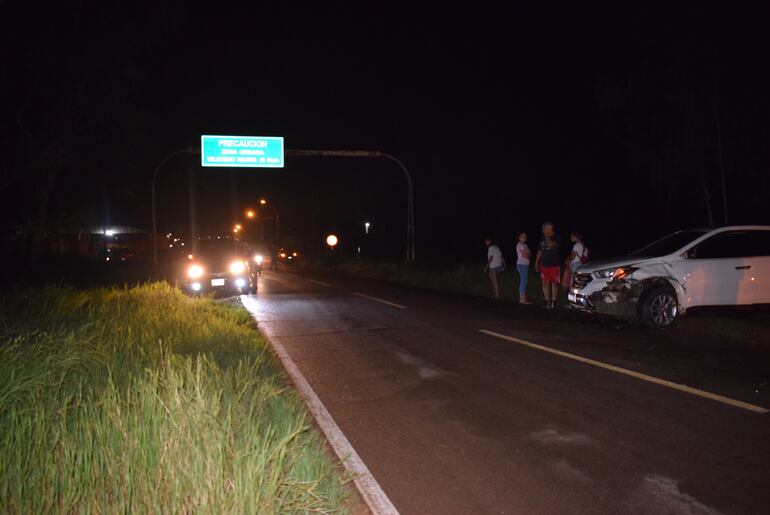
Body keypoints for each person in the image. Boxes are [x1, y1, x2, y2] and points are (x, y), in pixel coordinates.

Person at [535, 222, 560, 310]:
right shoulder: (542, 239)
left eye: (549, 229)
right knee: (545, 283)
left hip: (553, 265)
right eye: (546, 229)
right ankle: (546, 302)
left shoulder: (556, 237)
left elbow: (551, 245)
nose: (547, 230)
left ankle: (554, 302)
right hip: (544, 265)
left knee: (554, 283)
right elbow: (540, 251)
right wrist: (536, 262)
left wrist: (546, 236)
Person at [515, 231, 531, 304]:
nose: (524, 237)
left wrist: (528, 255)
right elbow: (525, 255)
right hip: (522, 265)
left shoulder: (525, 245)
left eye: (525, 236)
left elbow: (530, 254)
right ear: (519, 238)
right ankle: (522, 299)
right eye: (522, 236)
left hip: (525, 265)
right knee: (523, 281)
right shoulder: (520, 245)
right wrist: (528, 255)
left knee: (524, 281)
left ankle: (523, 298)